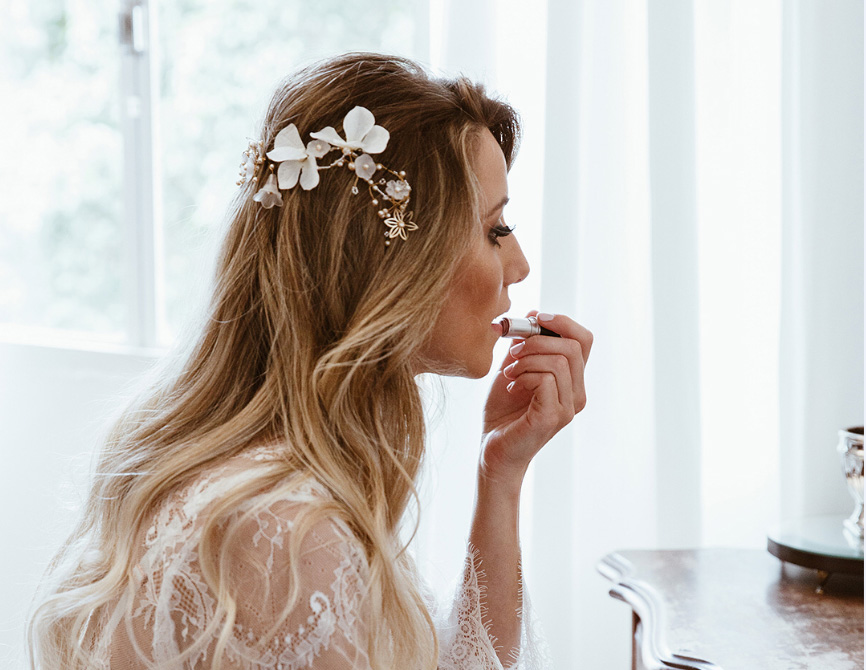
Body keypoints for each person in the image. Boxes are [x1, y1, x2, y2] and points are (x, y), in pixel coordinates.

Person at [27, 52, 592, 669]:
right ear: (395, 263)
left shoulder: (283, 491)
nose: (520, 265)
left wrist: (501, 472)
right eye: (494, 229)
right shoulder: (286, 535)